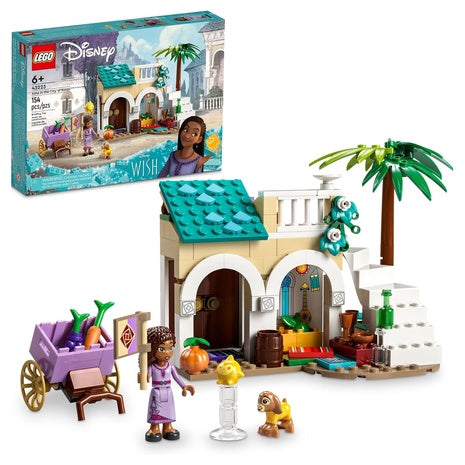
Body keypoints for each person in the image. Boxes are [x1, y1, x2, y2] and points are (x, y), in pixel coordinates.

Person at [143, 326, 195, 442]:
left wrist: (184, 386)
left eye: (170, 348)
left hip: (168, 391)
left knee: (169, 409)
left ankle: (167, 427)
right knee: (155, 409)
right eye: (162, 349)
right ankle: (154, 428)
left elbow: (176, 377)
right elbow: (146, 377)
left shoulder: (170, 367)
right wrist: (143, 375)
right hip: (156, 392)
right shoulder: (152, 367)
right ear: (152, 350)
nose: (167, 352)